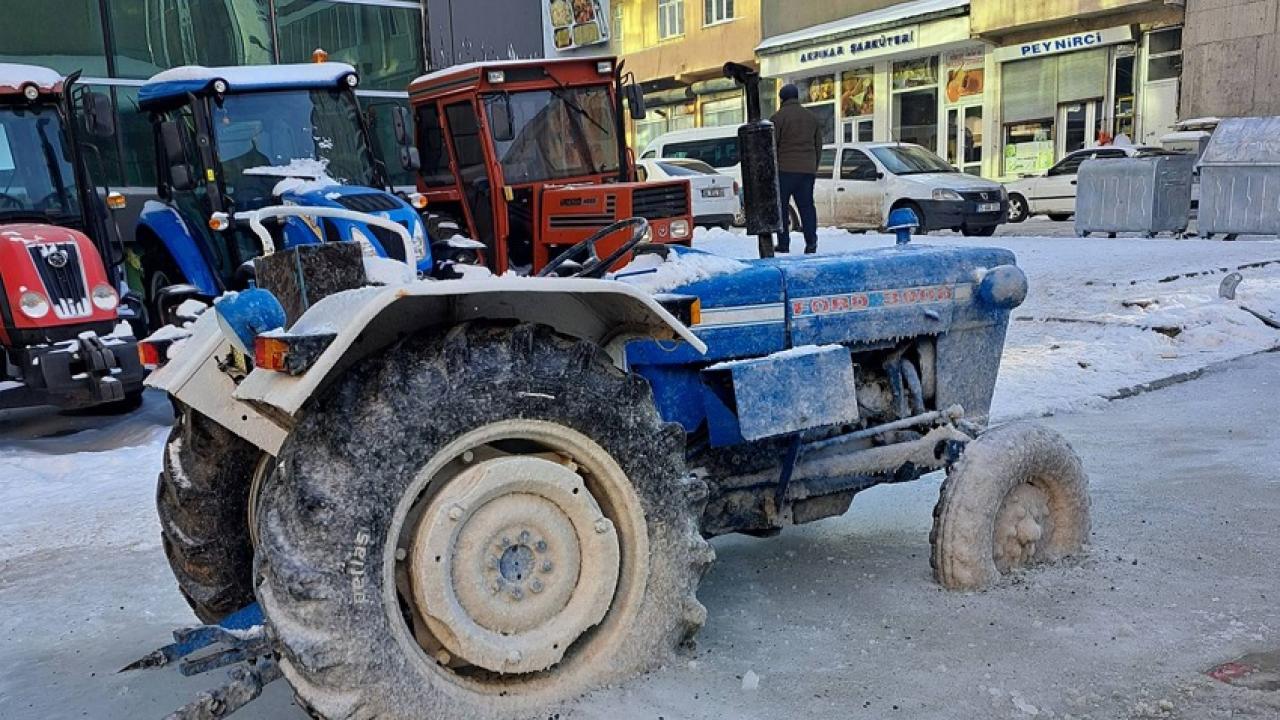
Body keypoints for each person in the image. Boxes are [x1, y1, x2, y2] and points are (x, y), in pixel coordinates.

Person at [771, 83, 824, 253]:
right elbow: (818, 146)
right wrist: (813, 166)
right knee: (807, 207)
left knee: (782, 208)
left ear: (782, 98)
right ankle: (811, 242)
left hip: (784, 170)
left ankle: (784, 243)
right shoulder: (811, 117)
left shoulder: (777, 118)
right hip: (807, 171)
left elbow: (772, 146)